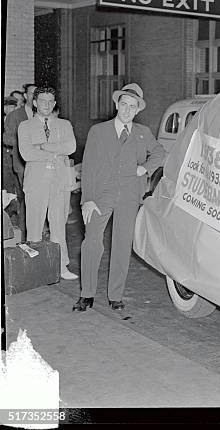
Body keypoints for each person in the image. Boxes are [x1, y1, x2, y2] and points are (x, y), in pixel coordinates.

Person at [73, 83, 165, 312]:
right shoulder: (99, 131)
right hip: (101, 194)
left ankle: (116, 295)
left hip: (129, 196)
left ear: (137, 110)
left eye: (132, 107)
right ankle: (87, 294)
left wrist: (144, 168)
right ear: (117, 104)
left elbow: (160, 152)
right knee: (92, 242)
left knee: (122, 245)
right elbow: (90, 167)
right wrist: (88, 199)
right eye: (124, 104)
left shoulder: (143, 133)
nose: (127, 110)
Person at [17, 87, 78, 279]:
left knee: (59, 223)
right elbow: (27, 153)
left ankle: (61, 266)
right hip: (36, 182)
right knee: (34, 225)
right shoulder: (25, 126)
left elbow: (71, 147)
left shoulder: (64, 124)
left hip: (60, 181)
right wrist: (56, 152)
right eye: (43, 101)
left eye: (51, 101)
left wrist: (43, 146)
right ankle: (35, 268)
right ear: (34, 103)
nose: (47, 105)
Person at [3, 83, 37, 237]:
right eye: (31, 93)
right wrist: (24, 142)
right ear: (25, 96)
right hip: (21, 164)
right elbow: (7, 138)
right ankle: (24, 234)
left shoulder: (42, 114)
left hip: (40, 164)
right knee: (26, 197)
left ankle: (35, 231)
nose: (34, 96)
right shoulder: (14, 116)